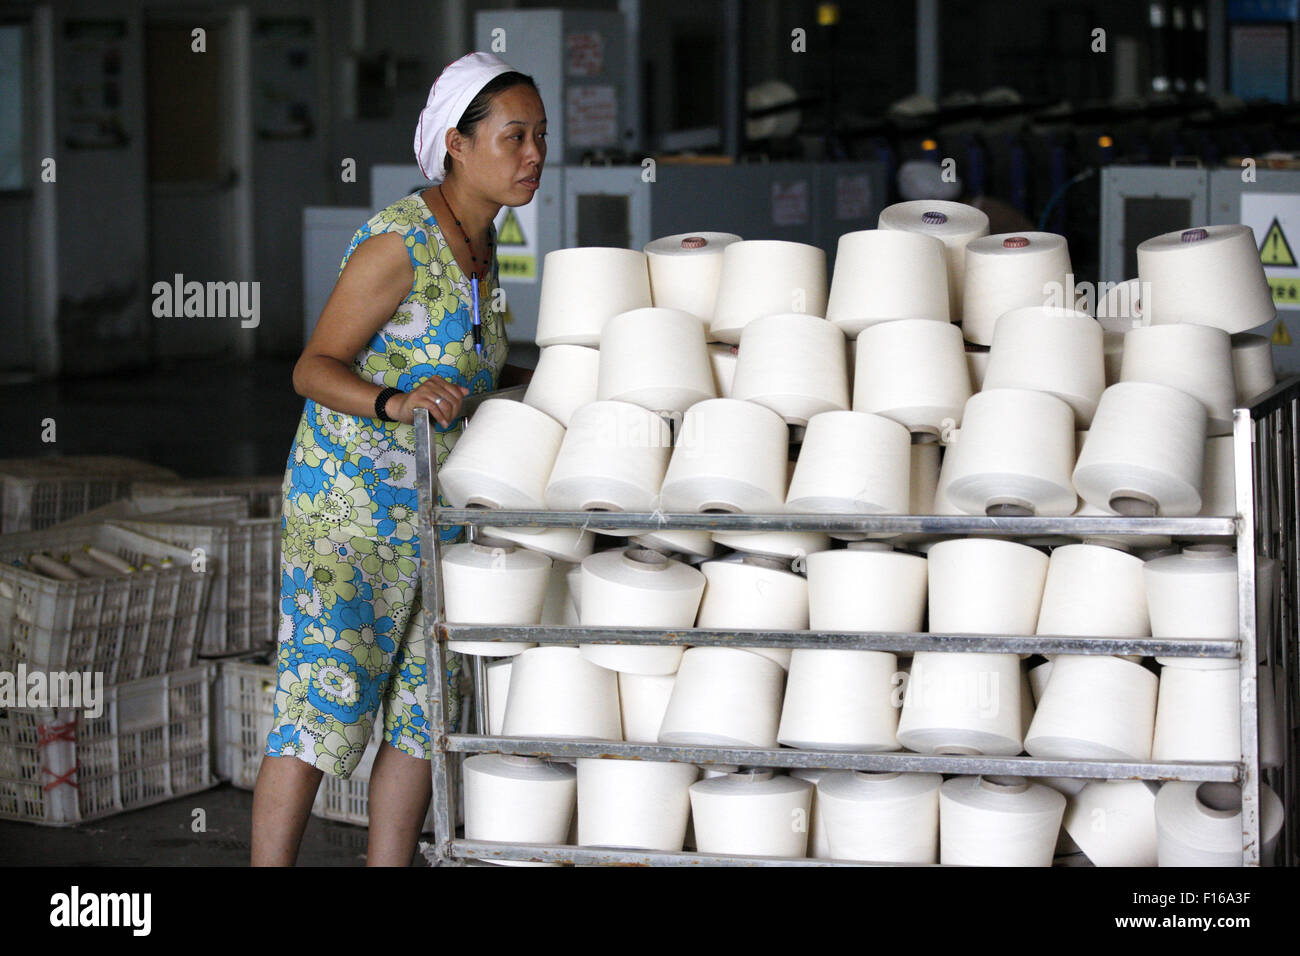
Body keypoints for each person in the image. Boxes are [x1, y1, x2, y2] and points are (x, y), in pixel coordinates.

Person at [251, 52, 545, 866]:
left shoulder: (486, 251)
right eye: (514, 136)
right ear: (458, 142)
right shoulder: (401, 244)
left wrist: (563, 376)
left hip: (434, 513)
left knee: (425, 705)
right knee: (325, 701)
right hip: (349, 515)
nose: (533, 155)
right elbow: (314, 366)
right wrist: (394, 402)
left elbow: (469, 373)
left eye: (540, 136)